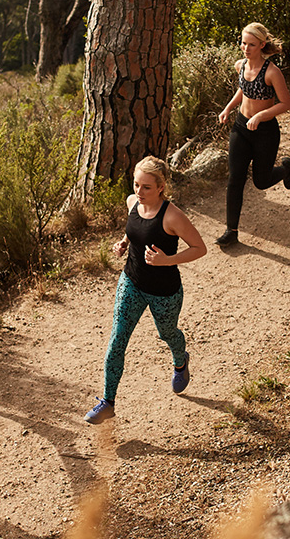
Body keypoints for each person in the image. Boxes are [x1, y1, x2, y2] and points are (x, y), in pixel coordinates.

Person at [84, 157, 208, 424]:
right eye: (136, 184)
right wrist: (124, 243)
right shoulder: (132, 203)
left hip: (164, 291)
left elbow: (200, 248)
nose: (139, 192)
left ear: (161, 187)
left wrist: (167, 260)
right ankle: (107, 402)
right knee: (117, 340)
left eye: (146, 187)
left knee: (168, 334)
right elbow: (135, 230)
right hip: (131, 282)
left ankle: (180, 361)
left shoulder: (172, 216)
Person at [213, 22, 290, 248]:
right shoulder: (240, 65)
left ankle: (286, 169)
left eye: (251, 44)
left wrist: (260, 116)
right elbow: (243, 89)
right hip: (241, 128)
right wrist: (228, 108)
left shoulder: (272, 72)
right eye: (243, 43)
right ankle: (231, 231)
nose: (246, 48)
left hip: (265, 132)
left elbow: (286, 103)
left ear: (262, 44)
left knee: (261, 181)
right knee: (235, 178)